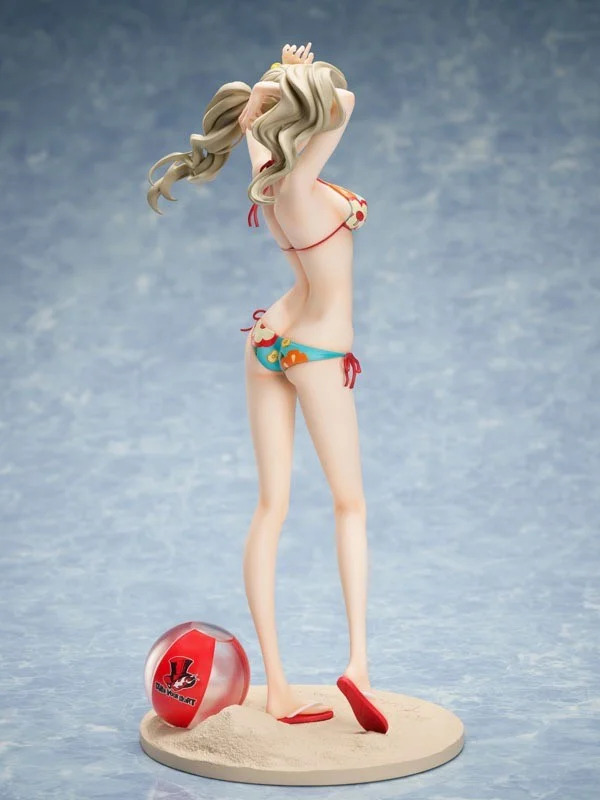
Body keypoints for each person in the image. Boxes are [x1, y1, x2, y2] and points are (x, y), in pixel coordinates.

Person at [147, 42, 388, 734]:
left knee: (270, 506)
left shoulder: (272, 177)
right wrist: (295, 75)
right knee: (350, 505)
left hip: (269, 338)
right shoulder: (300, 182)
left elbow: (261, 128)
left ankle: (278, 686)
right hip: (317, 348)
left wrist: (266, 94)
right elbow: (345, 102)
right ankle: (358, 663)